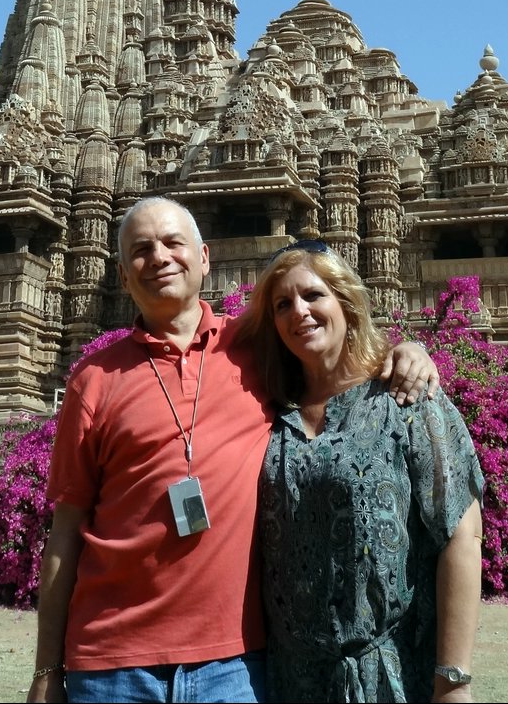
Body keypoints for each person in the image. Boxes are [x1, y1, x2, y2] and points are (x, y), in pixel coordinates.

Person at [28, 198, 440, 704]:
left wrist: (403, 353)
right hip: (113, 665)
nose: (159, 257)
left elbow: (332, 356)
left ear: (204, 258)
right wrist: (47, 670)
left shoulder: (256, 348)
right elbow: (65, 534)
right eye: (141, 250)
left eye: (173, 243)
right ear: (121, 273)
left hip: (234, 664)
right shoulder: (92, 380)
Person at [236, 241, 484, 703]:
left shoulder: (407, 400)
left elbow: (461, 536)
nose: (300, 312)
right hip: (287, 680)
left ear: (346, 302)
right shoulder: (269, 413)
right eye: (283, 304)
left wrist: (453, 681)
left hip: (387, 676)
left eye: (314, 295)